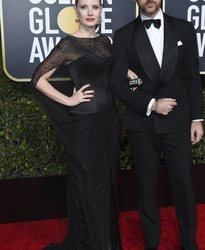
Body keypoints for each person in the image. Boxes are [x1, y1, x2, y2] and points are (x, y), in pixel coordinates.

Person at [31, 0, 135, 249]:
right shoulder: (69, 45)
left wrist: (129, 76)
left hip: (109, 122)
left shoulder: (107, 43)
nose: (90, 12)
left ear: (101, 11)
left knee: (107, 183)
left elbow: (109, 76)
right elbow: (38, 79)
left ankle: (106, 241)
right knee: (88, 185)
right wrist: (69, 99)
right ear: (76, 12)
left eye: (95, 7)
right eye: (84, 7)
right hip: (84, 126)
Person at [111, 0, 204, 249]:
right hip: (142, 123)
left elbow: (192, 76)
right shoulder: (123, 35)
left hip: (178, 122)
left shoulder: (184, 29)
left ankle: (188, 243)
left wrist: (197, 118)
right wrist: (152, 104)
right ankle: (151, 244)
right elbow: (118, 85)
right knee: (146, 188)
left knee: (184, 185)